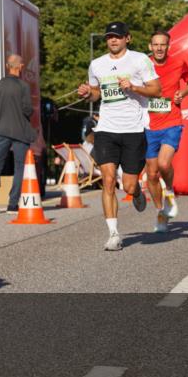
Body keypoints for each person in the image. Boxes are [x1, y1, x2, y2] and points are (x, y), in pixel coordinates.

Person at [77, 21, 161, 251]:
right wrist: (87, 93)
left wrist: (133, 87)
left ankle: (136, 192)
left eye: (117, 36)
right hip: (106, 129)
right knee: (108, 180)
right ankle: (113, 234)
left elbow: (156, 90)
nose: (113, 40)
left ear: (127, 38)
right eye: (109, 37)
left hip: (133, 130)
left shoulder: (139, 60)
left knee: (129, 186)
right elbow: (96, 94)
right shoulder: (97, 64)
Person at [144, 30, 188, 232]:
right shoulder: (142, 64)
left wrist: (183, 92)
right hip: (148, 125)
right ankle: (161, 211)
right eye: (155, 44)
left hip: (172, 122)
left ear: (168, 46)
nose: (159, 48)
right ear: (150, 46)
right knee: (151, 174)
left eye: (163, 44)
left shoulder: (178, 63)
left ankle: (169, 191)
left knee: (164, 164)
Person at [0, 54, 37, 215]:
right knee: (19, 167)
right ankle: (12, 204)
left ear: (8, 66)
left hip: (2, 131)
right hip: (20, 132)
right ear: (20, 66)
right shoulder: (23, 86)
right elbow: (27, 109)